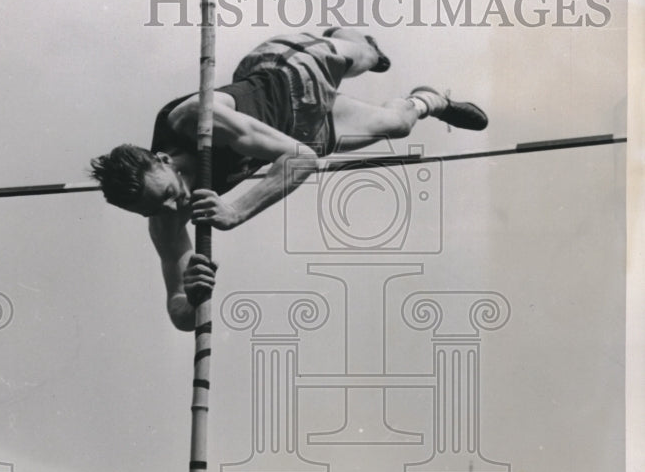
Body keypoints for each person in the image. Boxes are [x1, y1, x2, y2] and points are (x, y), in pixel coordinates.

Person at [89, 28, 488, 331]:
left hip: (295, 75)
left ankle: (343, 36)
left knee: (367, 54)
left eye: (172, 195)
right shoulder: (164, 217)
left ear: (163, 159)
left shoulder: (196, 118)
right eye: (154, 210)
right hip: (304, 131)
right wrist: (192, 299)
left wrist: (235, 211)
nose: (175, 209)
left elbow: (300, 161)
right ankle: (431, 100)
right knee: (399, 124)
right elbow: (177, 309)